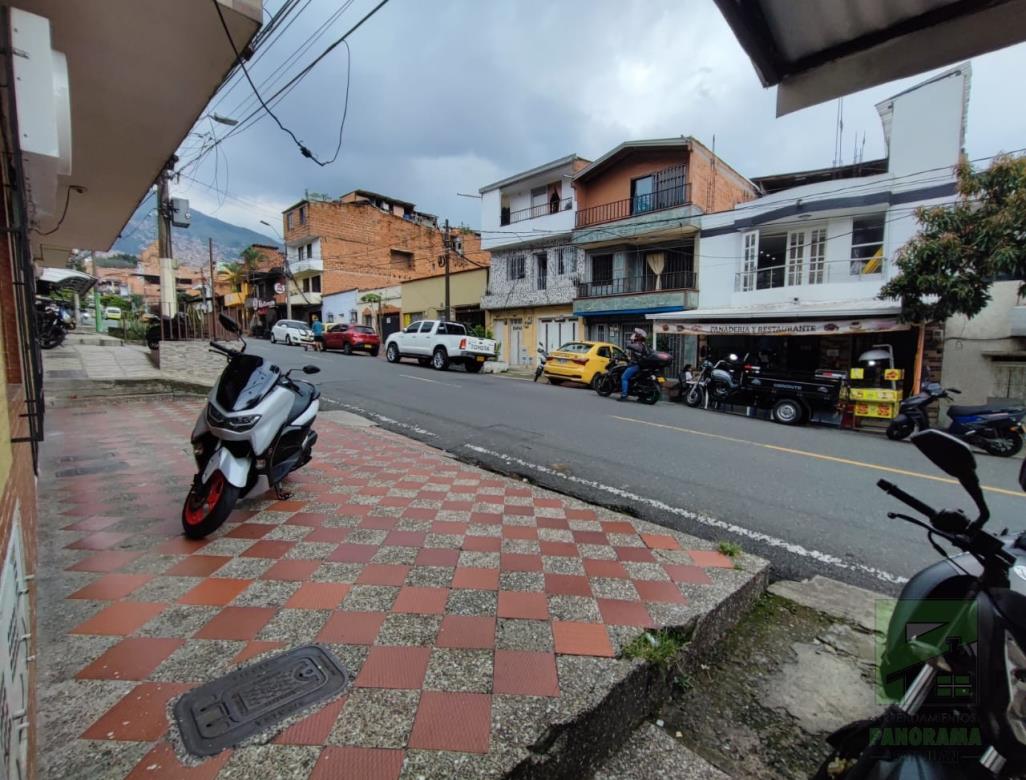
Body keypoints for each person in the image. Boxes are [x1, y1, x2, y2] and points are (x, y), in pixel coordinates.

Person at [620, 329, 650, 401]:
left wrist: (631, 340)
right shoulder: (643, 345)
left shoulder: (637, 345)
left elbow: (628, 345)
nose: (635, 336)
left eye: (636, 335)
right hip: (640, 366)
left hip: (634, 365)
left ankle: (624, 395)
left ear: (639, 337)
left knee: (624, 378)